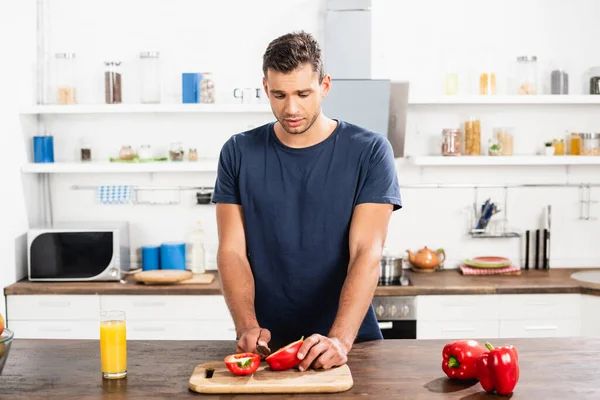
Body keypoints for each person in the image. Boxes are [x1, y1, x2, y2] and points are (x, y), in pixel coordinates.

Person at [212, 31, 401, 372]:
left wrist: (341, 339)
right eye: (279, 94)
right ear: (266, 87)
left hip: (349, 345)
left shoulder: (371, 151)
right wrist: (246, 326)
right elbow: (231, 251)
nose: (291, 108)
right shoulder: (238, 152)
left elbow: (366, 252)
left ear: (325, 85)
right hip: (269, 346)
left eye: (303, 93)